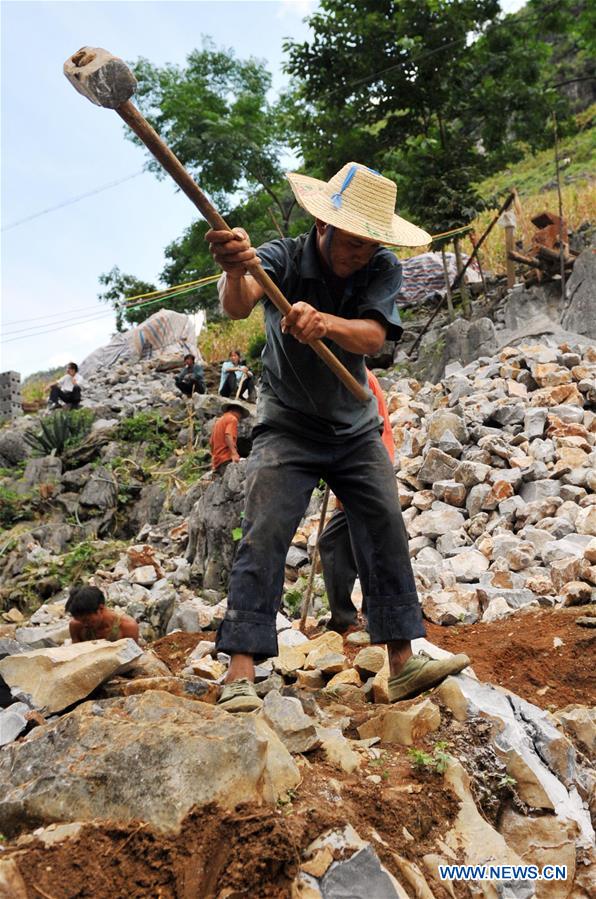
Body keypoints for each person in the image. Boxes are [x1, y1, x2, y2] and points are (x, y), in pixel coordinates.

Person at [205, 162, 470, 713]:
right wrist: (234, 270)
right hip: (287, 426)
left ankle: (402, 660)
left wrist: (324, 324)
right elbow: (239, 300)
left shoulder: (381, 265)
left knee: (383, 523)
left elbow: (374, 337)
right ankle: (240, 670)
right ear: (323, 229)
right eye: (352, 244)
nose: (360, 255)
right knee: (266, 529)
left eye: (369, 244)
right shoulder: (281, 256)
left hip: (354, 424)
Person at [319, 368, 394, 634]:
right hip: (354, 474)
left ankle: (376, 620)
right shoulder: (341, 374)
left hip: (365, 475)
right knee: (332, 542)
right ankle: (343, 618)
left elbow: (373, 432)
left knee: (367, 547)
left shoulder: (358, 377)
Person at [66, 585, 140, 644]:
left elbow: (133, 656)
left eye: (87, 620)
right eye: (80, 621)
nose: (84, 624)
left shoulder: (127, 626)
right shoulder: (76, 626)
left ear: (100, 608)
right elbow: (75, 653)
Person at [210, 401, 251, 476]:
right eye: (240, 415)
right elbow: (228, 435)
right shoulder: (232, 419)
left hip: (218, 461)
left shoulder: (219, 421)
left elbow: (211, 442)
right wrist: (234, 453)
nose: (240, 418)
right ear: (236, 411)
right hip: (226, 459)